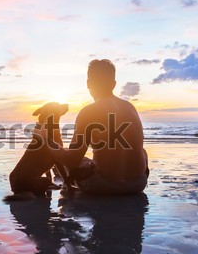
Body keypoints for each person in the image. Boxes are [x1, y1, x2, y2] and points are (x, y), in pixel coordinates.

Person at [35, 59, 148, 195]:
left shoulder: (88, 112)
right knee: (142, 151)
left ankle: (60, 173)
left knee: (66, 157)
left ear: (89, 84)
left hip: (102, 185)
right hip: (138, 184)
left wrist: (46, 138)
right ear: (113, 84)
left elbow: (71, 161)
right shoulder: (130, 107)